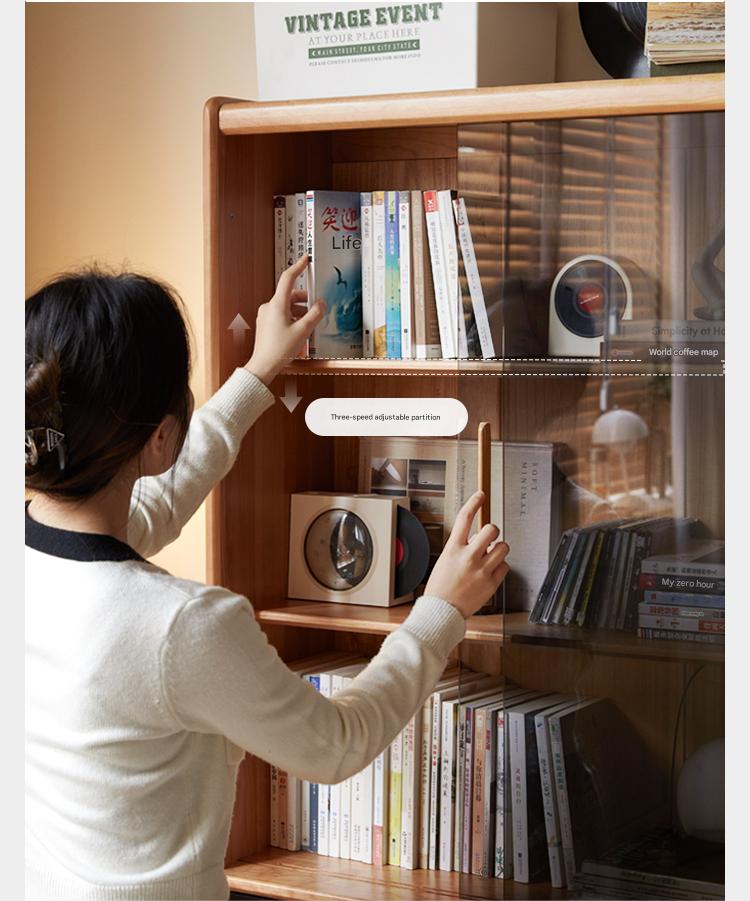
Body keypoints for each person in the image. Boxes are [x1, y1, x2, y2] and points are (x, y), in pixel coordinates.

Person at [25, 256, 509, 901]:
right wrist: (440, 611)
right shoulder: (181, 626)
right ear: (163, 436)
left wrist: (259, 371)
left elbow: (159, 501)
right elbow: (336, 746)